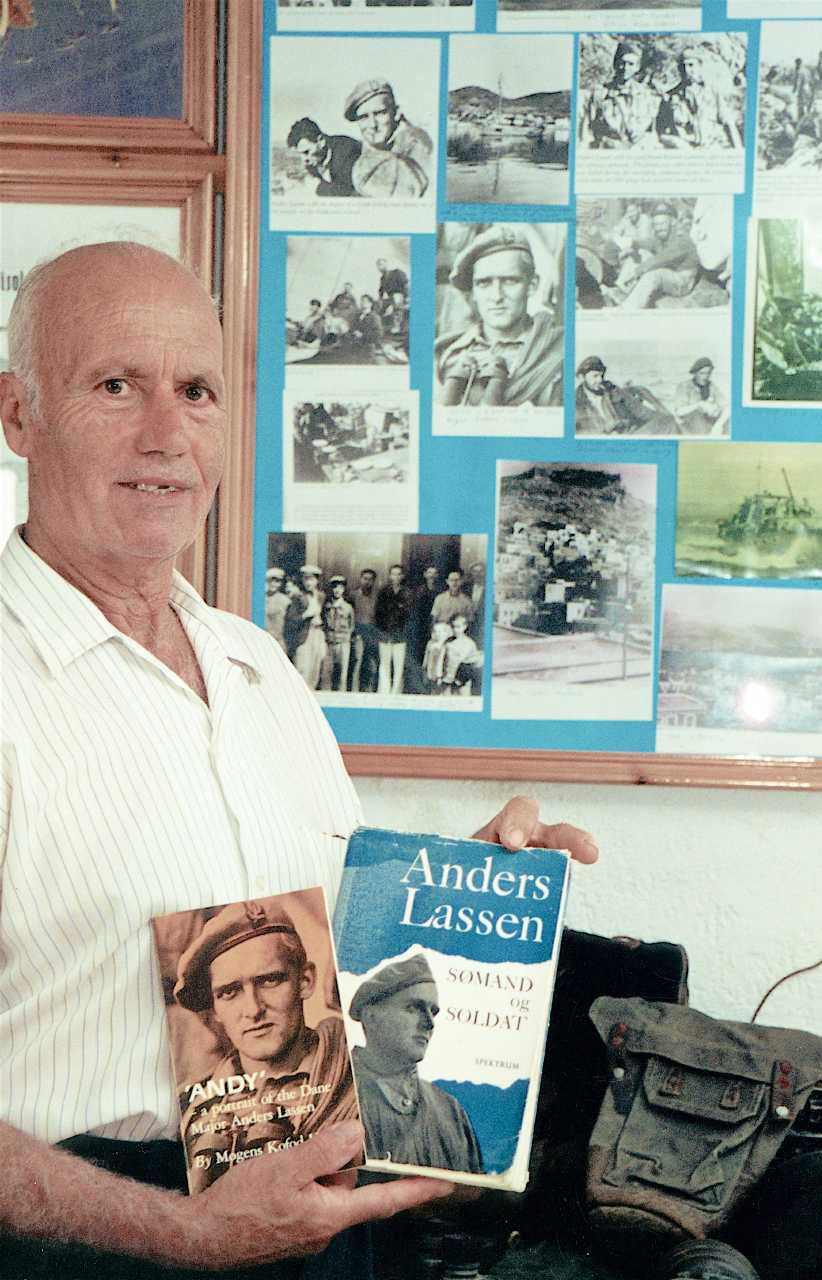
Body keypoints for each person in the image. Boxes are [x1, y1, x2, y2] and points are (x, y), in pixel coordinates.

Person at [0, 240, 598, 1277]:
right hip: (89, 1242)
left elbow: (335, 963)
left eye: (196, 392)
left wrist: (464, 891)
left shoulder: (260, 665)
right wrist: (186, 1231)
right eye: (115, 386)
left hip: (318, 1225)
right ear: (17, 414)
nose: (165, 434)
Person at [175, 899, 357, 1194]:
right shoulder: (191, 1107)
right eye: (229, 992)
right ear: (215, 1010)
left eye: (270, 981)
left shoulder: (358, 1075)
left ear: (305, 981)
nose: (253, 1009)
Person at [349, 954, 483, 1173]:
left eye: (433, 1012)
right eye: (413, 1008)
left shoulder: (451, 1112)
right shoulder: (336, 1096)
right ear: (371, 1017)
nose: (429, 1024)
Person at [435, 226, 564, 409]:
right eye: (484, 283)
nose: (497, 296)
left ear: (532, 285)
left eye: (510, 281)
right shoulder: (446, 354)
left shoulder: (559, 350)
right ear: (473, 292)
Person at [344, 80, 433, 199]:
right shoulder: (363, 153)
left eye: (380, 113)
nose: (372, 125)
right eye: (363, 117)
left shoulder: (417, 146)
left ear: (396, 113)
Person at [615, 202, 700, 310]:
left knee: (654, 274)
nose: (659, 228)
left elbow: (660, 259)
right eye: (656, 224)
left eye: (663, 223)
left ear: (673, 222)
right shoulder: (662, 236)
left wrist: (636, 271)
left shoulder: (682, 240)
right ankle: (622, 289)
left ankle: (628, 309)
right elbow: (649, 243)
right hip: (669, 272)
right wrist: (632, 243)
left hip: (682, 280)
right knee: (640, 253)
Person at [656, 47, 743, 150]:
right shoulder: (670, 97)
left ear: (700, 66)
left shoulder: (713, 92)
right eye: (682, 66)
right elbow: (660, 133)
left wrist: (738, 150)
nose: (687, 70)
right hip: (684, 151)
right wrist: (677, 143)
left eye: (691, 65)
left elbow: (728, 123)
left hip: (713, 148)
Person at [584, 41, 660, 150]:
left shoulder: (646, 95)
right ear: (615, 64)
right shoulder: (600, 94)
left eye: (631, 64)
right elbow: (588, 131)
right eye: (622, 63)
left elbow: (652, 132)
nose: (625, 68)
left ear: (637, 67)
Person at [286, 117, 362, 197]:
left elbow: (349, 192)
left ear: (321, 141)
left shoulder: (347, 151)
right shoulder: (313, 159)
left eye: (306, 152)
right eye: (300, 154)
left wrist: (317, 187)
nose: (304, 159)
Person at [375, 563, 410, 695]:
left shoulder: (407, 593)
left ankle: (396, 692)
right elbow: (378, 613)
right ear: (390, 576)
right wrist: (382, 631)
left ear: (402, 576)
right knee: (384, 664)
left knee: (398, 665)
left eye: (398, 574)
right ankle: (384, 692)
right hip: (385, 633)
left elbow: (409, 615)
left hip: (400, 635)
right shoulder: (383, 592)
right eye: (393, 574)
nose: (396, 577)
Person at [674, 356, 728, 435]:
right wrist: (700, 404)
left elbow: (727, 407)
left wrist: (718, 425)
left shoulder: (712, 386)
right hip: (689, 425)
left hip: (709, 423)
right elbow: (679, 411)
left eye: (708, 373)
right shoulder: (684, 386)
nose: (705, 377)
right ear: (695, 373)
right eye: (702, 373)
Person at [323, 574, 356, 691]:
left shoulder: (348, 607)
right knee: (328, 672)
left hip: (343, 642)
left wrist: (346, 637)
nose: (337, 590)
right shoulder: (327, 606)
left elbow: (351, 625)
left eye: (340, 587)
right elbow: (324, 623)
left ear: (344, 589)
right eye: (335, 587)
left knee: (342, 673)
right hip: (329, 642)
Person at [351, 567, 381, 692]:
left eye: (370, 579)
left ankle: (370, 690)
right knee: (357, 662)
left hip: (372, 633)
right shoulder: (353, 595)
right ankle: (355, 690)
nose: (367, 582)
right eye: (365, 578)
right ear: (360, 579)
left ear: (373, 581)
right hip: (358, 632)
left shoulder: (377, 597)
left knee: (372, 663)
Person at [264, 566, 291, 648]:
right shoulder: (261, 598)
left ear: (280, 583)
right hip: (263, 638)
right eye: (270, 581)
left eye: (277, 581)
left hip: (278, 640)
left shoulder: (285, 600)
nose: (273, 584)